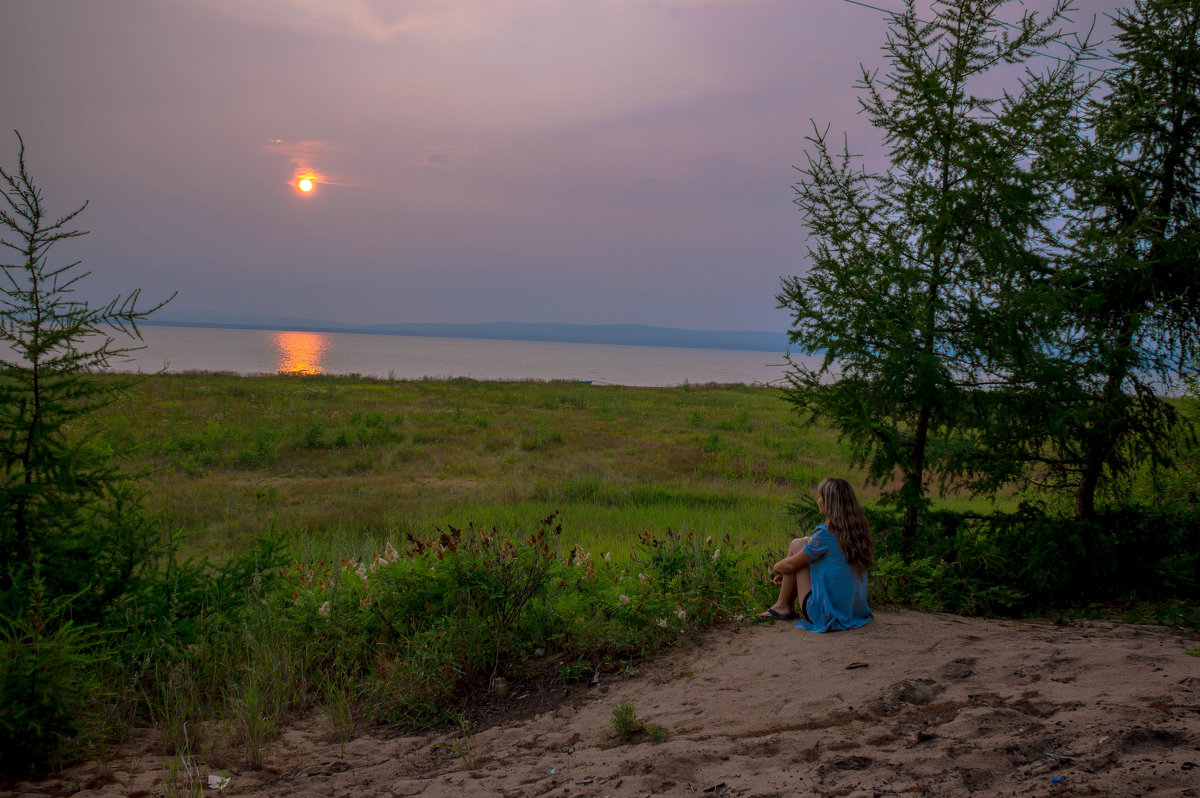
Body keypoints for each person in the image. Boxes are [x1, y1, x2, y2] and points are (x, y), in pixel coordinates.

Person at [759, 477, 873, 632]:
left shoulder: (826, 534)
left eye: (820, 496)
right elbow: (813, 543)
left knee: (796, 548)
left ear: (829, 502)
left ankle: (783, 605)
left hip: (824, 614)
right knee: (800, 544)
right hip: (852, 611)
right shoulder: (857, 532)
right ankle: (783, 605)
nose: (818, 500)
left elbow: (791, 564)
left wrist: (778, 568)